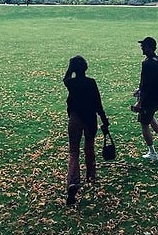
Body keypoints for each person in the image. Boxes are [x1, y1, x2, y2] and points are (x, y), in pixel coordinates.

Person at [63, 55, 110, 206]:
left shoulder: (70, 83)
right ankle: (91, 176)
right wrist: (104, 120)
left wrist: (70, 68)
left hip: (75, 119)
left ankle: (73, 183)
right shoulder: (91, 83)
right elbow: (98, 103)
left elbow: (66, 77)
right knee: (89, 148)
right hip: (90, 119)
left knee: (73, 152)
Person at [133, 36, 158, 162]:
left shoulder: (147, 63)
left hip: (150, 98)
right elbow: (150, 82)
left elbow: (146, 85)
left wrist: (139, 102)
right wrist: (139, 89)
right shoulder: (157, 59)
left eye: (143, 46)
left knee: (144, 123)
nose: (141, 48)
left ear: (149, 48)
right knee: (150, 115)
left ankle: (152, 152)